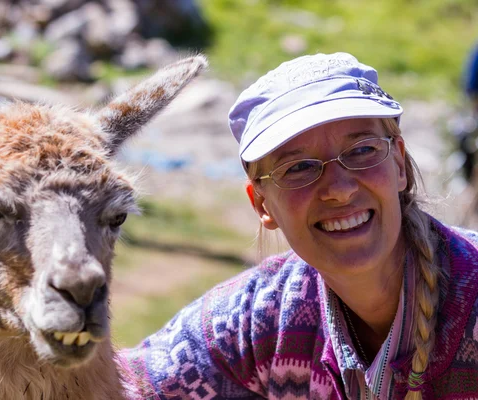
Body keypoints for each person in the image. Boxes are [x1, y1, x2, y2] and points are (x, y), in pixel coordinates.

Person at [119, 53, 478, 399]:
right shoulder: (260, 319)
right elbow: (122, 389)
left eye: (363, 151)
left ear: (399, 163)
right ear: (262, 204)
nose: (339, 189)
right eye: (299, 168)